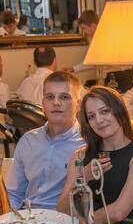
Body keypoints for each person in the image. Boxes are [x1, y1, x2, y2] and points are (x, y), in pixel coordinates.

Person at [57, 86, 133, 224]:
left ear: (119, 110)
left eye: (104, 111)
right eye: (91, 116)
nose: (99, 120)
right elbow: (62, 211)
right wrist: (82, 177)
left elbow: (119, 212)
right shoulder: (79, 156)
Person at [6, 71, 85, 209]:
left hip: (68, 221)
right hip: (28, 220)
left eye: (64, 97)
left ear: (78, 104)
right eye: (50, 97)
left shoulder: (87, 143)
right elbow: (14, 194)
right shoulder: (27, 141)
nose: (56, 102)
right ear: (43, 103)